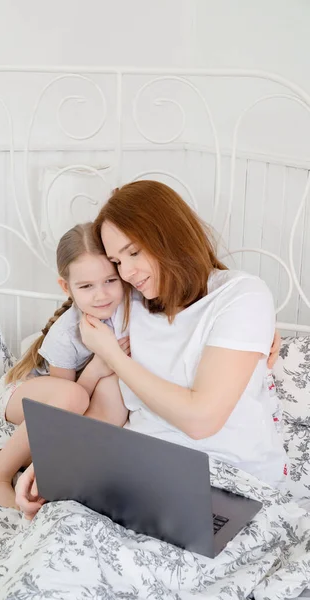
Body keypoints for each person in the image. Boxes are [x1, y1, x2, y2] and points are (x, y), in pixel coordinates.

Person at [15, 180, 285, 520]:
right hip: (139, 475)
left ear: (169, 234)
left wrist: (111, 355)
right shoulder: (130, 301)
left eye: (133, 252)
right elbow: (104, 400)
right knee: (59, 537)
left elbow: (201, 420)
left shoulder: (241, 297)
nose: (127, 272)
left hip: (228, 482)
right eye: (117, 261)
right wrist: (51, 466)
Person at [0, 223, 129, 508]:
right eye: (86, 286)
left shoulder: (127, 312)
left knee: (115, 393)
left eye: (110, 281)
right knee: (75, 396)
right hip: (20, 395)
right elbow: (67, 404)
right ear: (66, 287)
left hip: (63, 403)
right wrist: (97, 368)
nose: (101, 295)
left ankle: (10, 459)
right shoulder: (66, 333)